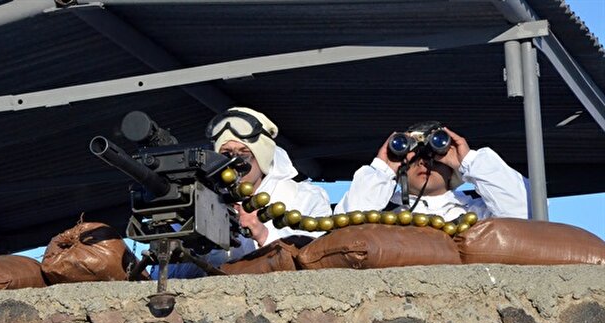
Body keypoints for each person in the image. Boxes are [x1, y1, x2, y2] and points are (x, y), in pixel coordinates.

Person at [151, 107, 332, 279]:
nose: (234, 164)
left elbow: (320, 261)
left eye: (244, 154)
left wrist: (263, 235)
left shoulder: (304, 197)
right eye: (226, 154)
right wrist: (200, 245)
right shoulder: (194, 202)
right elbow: (164, 274)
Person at [334, 121, 529, 221]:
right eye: (415, 157)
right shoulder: (380, 210)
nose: (424, 163)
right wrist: (383, 168)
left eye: (434, 158)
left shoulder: (474, 211)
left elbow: (523, 212)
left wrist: (469, 160)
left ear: (452, 170)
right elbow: (347, 227)